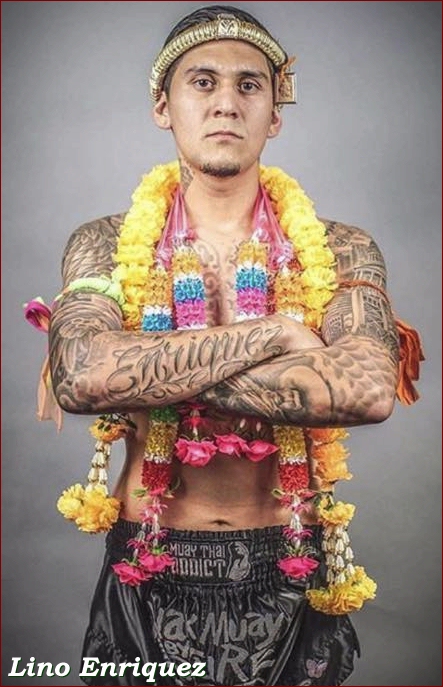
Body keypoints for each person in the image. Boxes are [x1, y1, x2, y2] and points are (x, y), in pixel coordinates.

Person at [25, 4, 422, 686]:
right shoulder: (106, 243)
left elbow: (366, 389)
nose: (226, 104)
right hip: (147, 563)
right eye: (202, 82)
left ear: (274, 113)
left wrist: (150, 365)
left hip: (289, 565)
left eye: (249, 85)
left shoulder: (339, 248)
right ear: (163, 105)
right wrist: (276, 335)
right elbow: (81, 375)